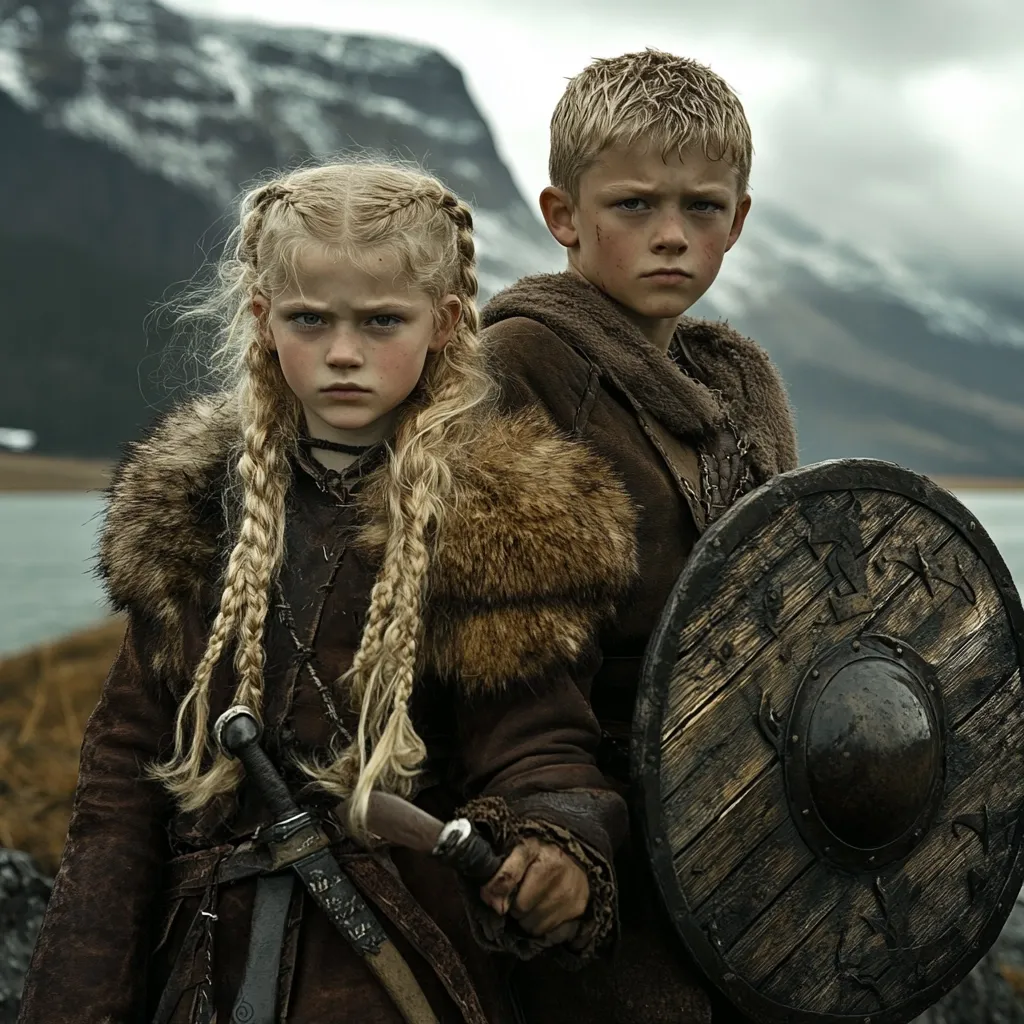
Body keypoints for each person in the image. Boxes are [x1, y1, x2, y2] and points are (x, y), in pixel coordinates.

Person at [16, 162, 639, 1024]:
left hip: (400, 968)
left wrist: (556, 844)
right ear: (265, 322)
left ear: (445, 325)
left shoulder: (495, 522)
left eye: (382, 320)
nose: (343, 352)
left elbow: (540, 748)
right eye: (311, 320)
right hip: (204, 966)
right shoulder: (195, 512)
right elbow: (124, 779)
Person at [481, 50, 800, 1023]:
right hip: (587, 813)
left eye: (702, 208)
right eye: (632, 206)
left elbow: (801, 607)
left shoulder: (743, 387)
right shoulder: (520, 365)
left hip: (743, 811)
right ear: (563, 217)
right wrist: (561, 831)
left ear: (737, 221)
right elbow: (514, 647)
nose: (672, 236)